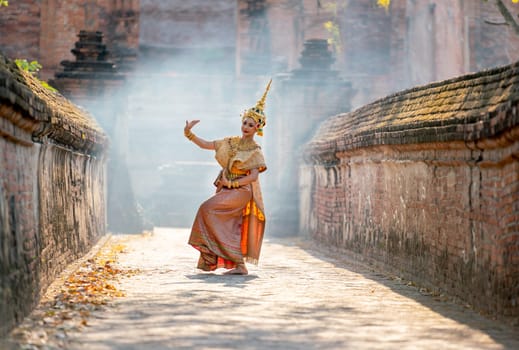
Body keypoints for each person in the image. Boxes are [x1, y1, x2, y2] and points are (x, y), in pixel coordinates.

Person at [184, 80, 271, 275]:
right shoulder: (230, 142)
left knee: (207, 208)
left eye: (251, 124)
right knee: (228, 225)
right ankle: (239, 265)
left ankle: (233, 261)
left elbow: (253, 177)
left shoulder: (255, 150)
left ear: (257, 128)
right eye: (244, 122)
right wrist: (189, 133)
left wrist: (231, 183)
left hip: (241, 191)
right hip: (226, 189)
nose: (246, 126)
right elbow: (206, 144)